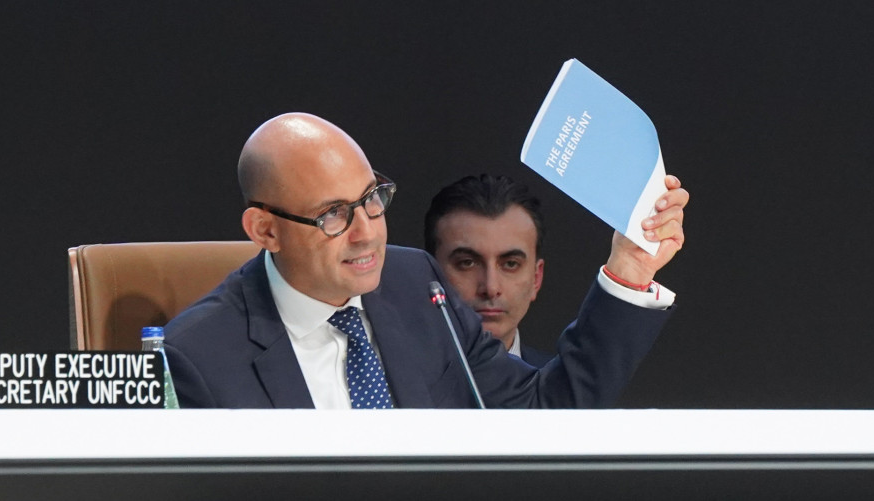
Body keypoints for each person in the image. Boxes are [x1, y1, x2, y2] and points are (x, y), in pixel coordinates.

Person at [163, 112, 688, 409]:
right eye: (333, 216)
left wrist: (629, 270)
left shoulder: (415, 285)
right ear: (266, 230)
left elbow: (539, 412)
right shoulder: (198, 357)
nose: (368, 234)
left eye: (372, 199)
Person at [423, 175, 554, 366]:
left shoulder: (565, 392)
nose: (490, 288)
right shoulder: (383, 385)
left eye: (510, 264)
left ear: (536, 278)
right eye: (467, 263)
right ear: (428, 273)